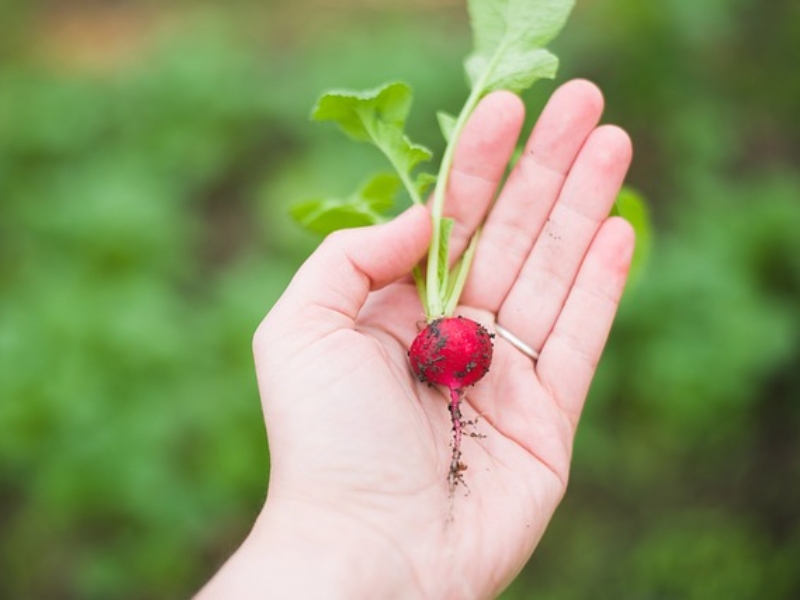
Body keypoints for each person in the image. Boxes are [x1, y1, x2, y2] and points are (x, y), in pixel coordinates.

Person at [195, 79, 634, 599]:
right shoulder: (447, 348)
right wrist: (365, 527)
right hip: (449, 343)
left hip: (450, 343)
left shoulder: (449, 348)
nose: (456, 403)